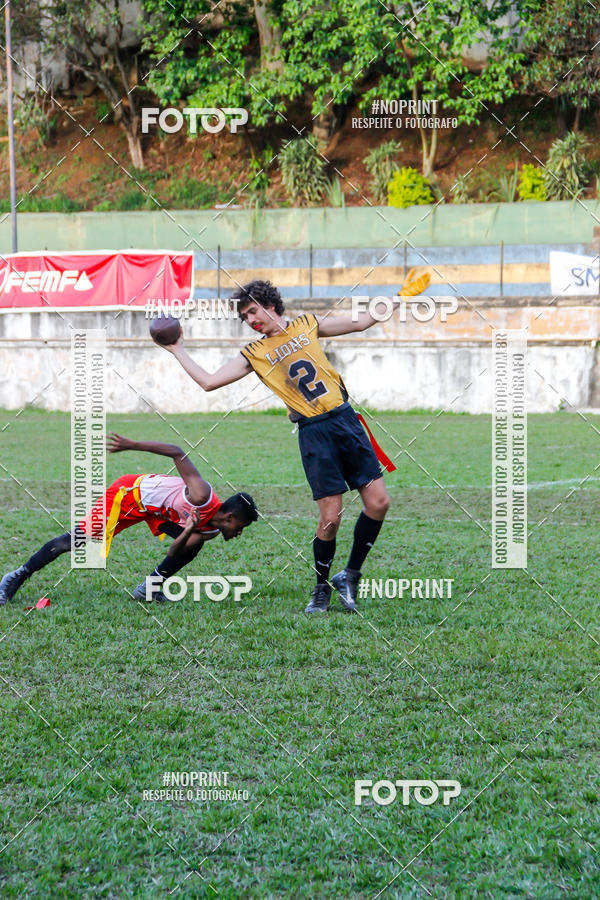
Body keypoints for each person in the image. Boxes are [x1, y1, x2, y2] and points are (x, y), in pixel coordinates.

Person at [156, 273, 429, 614]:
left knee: (379, 503)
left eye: (253, 311)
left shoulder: (307, 324)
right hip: (314, 433)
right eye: (244, 317)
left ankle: (351, 574)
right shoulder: (254, 352)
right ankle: (321, 587)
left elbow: (364, 320)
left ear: (271, 305)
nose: (251, 321)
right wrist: (176, 349)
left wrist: (401, 295)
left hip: (345, 420)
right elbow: (209, 382)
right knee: (330, 518)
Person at [0, 433, 258, 606]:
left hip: (156, 511)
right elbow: (177, 452)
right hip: (129, 495)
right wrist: (132, 445)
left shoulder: (209, 530)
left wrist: (188, 528)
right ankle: (16, 576)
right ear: (229, 516)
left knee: (192, 546)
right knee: (76, 541)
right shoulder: (201, 495)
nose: (239, 533)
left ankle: (148, 588)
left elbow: (175, 549)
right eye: (240, 527)